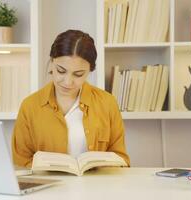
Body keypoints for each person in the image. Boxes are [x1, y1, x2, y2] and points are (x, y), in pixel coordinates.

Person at [12, 29, 130, 167]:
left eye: (78, 74)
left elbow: (121, 158)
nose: (67, 82)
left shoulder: (107, 103)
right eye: (61, 71)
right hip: (48, 188)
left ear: (89, 71)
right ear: (52, 62)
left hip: (97, 187)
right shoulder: (30, 106)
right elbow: (20, 163)